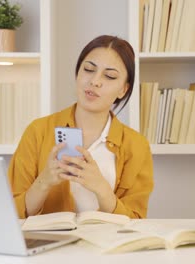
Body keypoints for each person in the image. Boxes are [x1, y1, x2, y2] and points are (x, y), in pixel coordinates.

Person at [8, 35, 153, 219]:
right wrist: (43, 182)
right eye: (89, 69)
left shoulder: (137, 146)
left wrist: (102, 190)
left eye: (109, 76)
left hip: (106, 246)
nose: (95, 81)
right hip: (49, 246)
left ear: (123, 89)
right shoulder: (37, 131)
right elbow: (10, 214)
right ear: (78, 73)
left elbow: (136, 221)